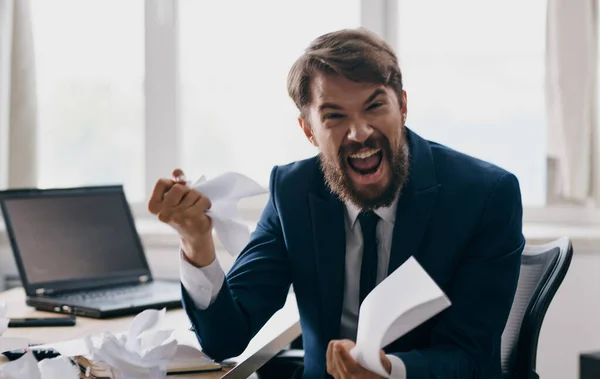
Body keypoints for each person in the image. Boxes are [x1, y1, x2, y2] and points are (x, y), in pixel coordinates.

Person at [148, 28, 525, 379]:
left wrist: (389, 370)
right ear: (309, 131)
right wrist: (196, 243)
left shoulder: (484, 196)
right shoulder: (292, 193)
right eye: (334, 116)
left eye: (375, 107)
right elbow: (224, 339)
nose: (359, 132)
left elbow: (471, 357)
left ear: (403, 107)